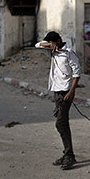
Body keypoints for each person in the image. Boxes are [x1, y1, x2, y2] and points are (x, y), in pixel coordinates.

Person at [35, 31, 81, 170]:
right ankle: (67, 154)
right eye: (50, 44)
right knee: (63, 122)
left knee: (60, 123)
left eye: (54, 42)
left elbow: (77, 73)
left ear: (59, 41)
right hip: (57, 90)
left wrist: (71, 91)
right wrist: (51, 44)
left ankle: (69, 155)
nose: (51, 46)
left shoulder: (69, 53)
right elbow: (37, 45)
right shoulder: (52, 52)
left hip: (66, 91)